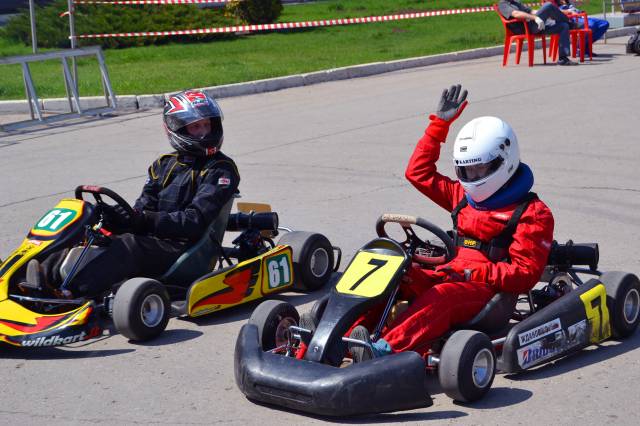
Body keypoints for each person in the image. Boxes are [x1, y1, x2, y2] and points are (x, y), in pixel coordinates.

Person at [348, 84, 554, 361]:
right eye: (466, 169)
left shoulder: (531, 213)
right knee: (392, 276)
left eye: (479, 168)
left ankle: (383, 351)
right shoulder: (462, 197)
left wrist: (474, 273)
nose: (472, 176)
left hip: (489, 295)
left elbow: (525, 274)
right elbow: (418, 173)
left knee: (442, 296)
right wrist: (439, 126)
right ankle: (340, 337)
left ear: (503, 161)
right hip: (449, 272)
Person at [28, 89, 240, 298]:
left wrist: (144, 219)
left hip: (184, 249)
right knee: (89, 233)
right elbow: (143, 207)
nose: (204, 133)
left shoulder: (221, 169)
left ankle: (69, 293)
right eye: (196, 127)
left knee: (129, 245)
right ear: (177, 129)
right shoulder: (164, 164)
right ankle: (38, 278)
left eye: (207, 125)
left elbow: (194, 222)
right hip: (155, 239)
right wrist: (119, 217)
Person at [498, 0, 578, 65]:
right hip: (526, 28)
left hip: (536, 26)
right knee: (548, 5)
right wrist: (535, 18)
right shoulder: (502, 4)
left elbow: (532, 11)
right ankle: (570, 23)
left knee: (563, 26)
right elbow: (516, 14)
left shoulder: (516, 2)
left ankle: (563, 59)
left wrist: (549, 13)